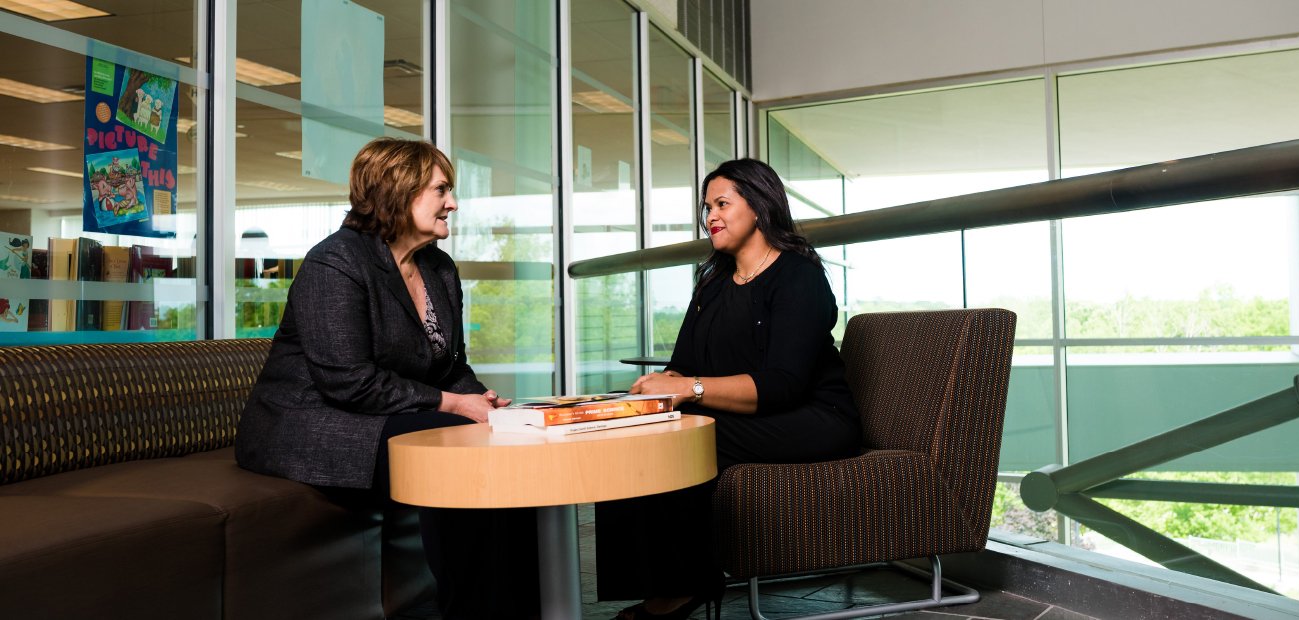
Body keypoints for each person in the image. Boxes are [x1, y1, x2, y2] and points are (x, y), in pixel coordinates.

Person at [235, 137, 540, 619]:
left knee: (501, 442)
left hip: (382, 417)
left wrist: (479, 399)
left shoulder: (438, 267)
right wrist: (454, 406)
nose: (453, 204)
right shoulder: (334, 262)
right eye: (441, 191)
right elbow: (347, 381)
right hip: (312, 424)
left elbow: (450, 365)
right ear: (400, 191)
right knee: (457, 450)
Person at [596, 158, 862, 620]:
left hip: (815, 418)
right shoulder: (714, 282)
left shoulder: (799, 277)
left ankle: (683, 588)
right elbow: (683, 364)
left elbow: (783, 385)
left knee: (687, 439)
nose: (710, 217)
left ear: (758, 207)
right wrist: (666, 385)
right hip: (749, 415)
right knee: (634, 430)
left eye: (722, 204)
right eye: (706, 207)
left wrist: (691, 390)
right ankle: (662, 582)